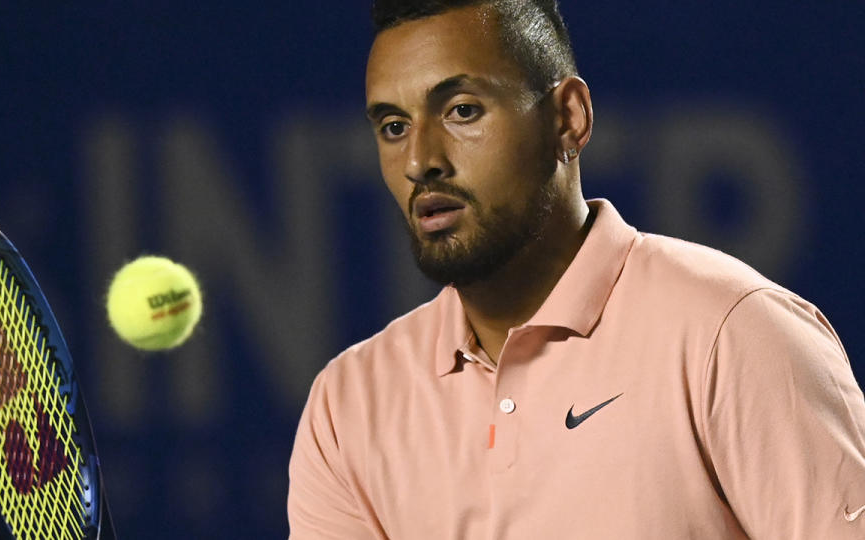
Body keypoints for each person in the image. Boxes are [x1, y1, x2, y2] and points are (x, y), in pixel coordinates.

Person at [287, 1, 865, 538]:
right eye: (394, 127)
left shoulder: (732, 335)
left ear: (569, 118)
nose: (420, 162)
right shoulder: (347, 407)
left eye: (462, 111)